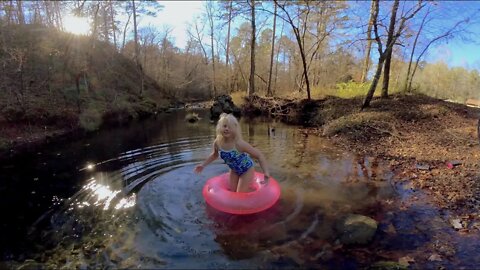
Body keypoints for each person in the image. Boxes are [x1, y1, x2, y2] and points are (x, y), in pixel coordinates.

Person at [194, 113, 270, 192]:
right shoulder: (217, 143)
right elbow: (214, 155)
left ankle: (253, 192)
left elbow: (259, 156)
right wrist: (203, 165)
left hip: (247, 169)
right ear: (220, 127)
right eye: (224, 126)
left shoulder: (239, 144)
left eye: (230, 127)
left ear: (235, 129)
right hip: (234, 170)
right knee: (233, 192)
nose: (226, 129)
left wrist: (266, 172)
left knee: (239, 194)